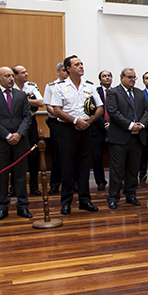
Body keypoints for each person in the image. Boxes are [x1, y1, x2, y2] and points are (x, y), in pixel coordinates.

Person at [50, 55, 104, 214]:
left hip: (86, 129)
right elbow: (57, 111)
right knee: (67, 166)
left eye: (81, 64)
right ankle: (66, 203)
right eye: (77, 64)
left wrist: (90, 120)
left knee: (84, 166)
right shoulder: (59, 87)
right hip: (67, 129)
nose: (81, 66)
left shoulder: (89, 86)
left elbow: (99, 107)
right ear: (68, 68)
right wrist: (75, 121)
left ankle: (84, 201)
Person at [0, 67, 33, 221]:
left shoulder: (21, 95)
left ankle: (22, 206)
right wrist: (7, 135)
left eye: (12, 76)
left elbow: (27, 117)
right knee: (2, 176)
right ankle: (2, 207)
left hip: (20, 141)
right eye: (7, 76)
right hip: (0, 141)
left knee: (20, 176)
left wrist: (19, 134)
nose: (11, 78)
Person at [105, 68, 148, 209]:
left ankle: (131, 195)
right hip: (119, 138)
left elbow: (147, 110)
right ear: (121, 77)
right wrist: (130, 125)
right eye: (129, 77)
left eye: (134, 77)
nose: (132, 80)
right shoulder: (113, 92)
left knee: (133, 169)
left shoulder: (139, 93)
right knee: (117, 170)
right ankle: (113, 197)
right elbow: (113, 112)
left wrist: (141, 124)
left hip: (137, 137)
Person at [12, 65, 44, 196]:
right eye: (23, 72)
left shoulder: (31, 86)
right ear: (15, 76)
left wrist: (23, 100)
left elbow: (41, 102)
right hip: (15, 123)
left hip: (30, 122)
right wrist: (31, 101)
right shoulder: (10, 87)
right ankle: (14, 188)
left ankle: (34, 187)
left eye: (26, 71)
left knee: (33, 155)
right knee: (16, 156)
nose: (26, 74)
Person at [43, 62, 69, 195]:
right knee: (57, 155)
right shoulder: (51, 86)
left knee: (72, 154)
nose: (66, 73)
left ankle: (73, 183)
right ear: (58, 72)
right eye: (64, 71)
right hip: (56, 123)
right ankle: (55, 184)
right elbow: (48, 106)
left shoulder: (77, 86)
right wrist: (61, 115)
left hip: (71, 123)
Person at [91, 70, 112, 191]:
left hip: (113, 129)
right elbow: (93, 110)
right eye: (104, 76)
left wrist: (111, 124)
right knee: (97, 157)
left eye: (109, 76)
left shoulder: (115, 92)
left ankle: (117, 180)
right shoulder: (95, 92)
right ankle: (100, 181)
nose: (107, 78)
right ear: (100, 80)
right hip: (97, 129)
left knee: (114, 157)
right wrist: (104, 123)